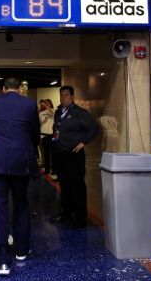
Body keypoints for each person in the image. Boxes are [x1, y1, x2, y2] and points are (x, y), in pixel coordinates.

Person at [0, 77, 40, 276]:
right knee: (20, 203)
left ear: (3, 89)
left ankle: (3, 259)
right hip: (21, 161)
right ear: (20, 88)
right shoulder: (29, 104)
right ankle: (21, 250)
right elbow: (35, 135)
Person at [50, 85, 98, 228]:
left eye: (66, 95)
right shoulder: (58, 112)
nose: (63, 97)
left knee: (76, 186)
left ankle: (80, 218)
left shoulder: (79, 112)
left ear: (72, 97)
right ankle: (66, 214)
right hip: (60, 154)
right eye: (61, 95)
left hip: (73, 155)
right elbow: (56, 129)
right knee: (64, 185)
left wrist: (83, 142)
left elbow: (94, 127)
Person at [38, 99, 54, 175]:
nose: (46, 104)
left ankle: (54, 170)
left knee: (53, 153)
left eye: (48, 103)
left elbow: (53, 115)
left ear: (51, 103)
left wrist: (47, 108)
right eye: (45, 103)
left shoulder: (54, 111)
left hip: (52, 135)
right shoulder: (41, 113)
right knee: (46, 154)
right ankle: (47, 169)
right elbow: (40, 123)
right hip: (44, 135)